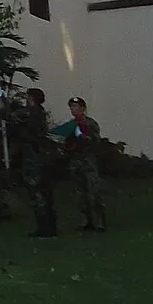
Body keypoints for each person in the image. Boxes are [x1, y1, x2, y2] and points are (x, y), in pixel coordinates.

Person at [6, 85, 56, 237]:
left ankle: (44, 229)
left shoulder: (31, 112)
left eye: (28, 97)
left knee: (37, 193)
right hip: (41, 158)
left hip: (34, 159)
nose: (26, 100)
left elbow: (8, 116)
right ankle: (50, 227)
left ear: (32, 99)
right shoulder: (39, 113)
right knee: (45, 194)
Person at [54, 97, 107, 233]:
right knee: (80, 194)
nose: (73, 109)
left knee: (94, 192)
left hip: (88, 162)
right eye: (71, 106)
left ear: (83, 108)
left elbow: (95, 141)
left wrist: (81, 136)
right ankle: (86, 221)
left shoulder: (90, 124)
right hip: (75, 161)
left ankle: (99, 222)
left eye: (76, 106)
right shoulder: (71, 124)